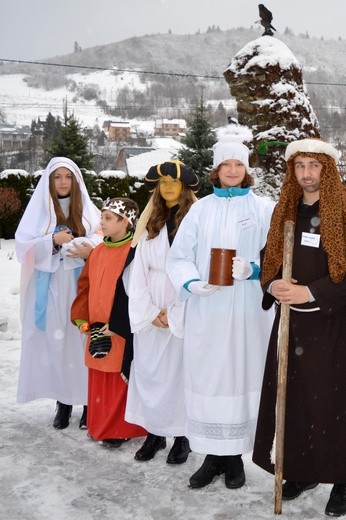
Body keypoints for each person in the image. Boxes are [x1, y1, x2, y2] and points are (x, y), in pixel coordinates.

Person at [253, 138, 346, 518]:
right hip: (291, 324)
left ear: (327, 169)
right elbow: (270, 255)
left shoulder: (345, 209)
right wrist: (273, 284)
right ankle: (300, 469)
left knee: (335, 403)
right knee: (295, 400)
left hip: (333, 323)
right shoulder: (284, 210)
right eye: (300, 166)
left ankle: (341, 479)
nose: (307, 173)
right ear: (291, 171)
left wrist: (310, 290)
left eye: (314, 165)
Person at [166, 139, 274, 490]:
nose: (232, 170)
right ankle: (212, 457)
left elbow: (277, 255)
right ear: (216, 169)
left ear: (246, 170)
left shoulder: (264, 209)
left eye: (238, 164)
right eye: (226, 164)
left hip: (246, 312)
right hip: (208, 311)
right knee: (210, 376)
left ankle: (235, 458)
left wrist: (255, 270)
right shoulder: (200, 209)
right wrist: (192, 283)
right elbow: (179, 255)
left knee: (242, 375)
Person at [15, 157, 101, 430]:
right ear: (49, 182)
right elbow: (23, 248)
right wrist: (52, 241)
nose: (63, 182)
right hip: (50, 286)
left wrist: (88, 247)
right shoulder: (39, 210)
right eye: (57, 177)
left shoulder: (88, 211)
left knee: (81, 342)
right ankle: (63, 402)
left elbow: (106, 238)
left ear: (76, 181)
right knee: (57, 345)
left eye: (68, 177)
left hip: (82, 286)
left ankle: (88, 402)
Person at [124, 160, 199, 464]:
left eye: (174, 181)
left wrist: (175, 312)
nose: (168, 186)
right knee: (150, 372)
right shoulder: (150, 221)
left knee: (179, 374)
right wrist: (150, 311)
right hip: (151, 305)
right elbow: (137, 271)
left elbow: (199, 267)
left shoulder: (194, 219)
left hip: (183, 300)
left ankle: (182, 436)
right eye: (163, 181)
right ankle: (155, 433)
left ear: (184, 186)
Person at [71, 197, 147, 447]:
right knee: (98, 375)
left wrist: (119, 323)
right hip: (96, 327)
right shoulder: (98, 252)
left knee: (118, 378)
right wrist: (83, 318)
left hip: (119, 329)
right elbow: (85, 286)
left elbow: (136, 292)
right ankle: (99, 425)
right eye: (102, 217)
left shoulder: (135, 253)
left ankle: (119, 428)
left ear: (126, 222)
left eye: (108, 218)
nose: (101, 222)